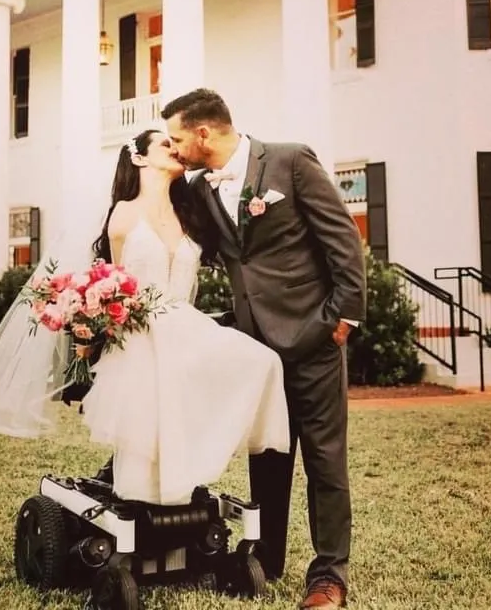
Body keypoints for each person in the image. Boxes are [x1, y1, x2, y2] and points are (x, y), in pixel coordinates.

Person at [0, 128, 290, 507]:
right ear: (139, 158)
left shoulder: (191, 216)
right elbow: (113, 281)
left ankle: (197, 472)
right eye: (165, 144)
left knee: (264, 362)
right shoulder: (123, 215)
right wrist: (91, 315)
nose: (175, 150)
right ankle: (143, 509)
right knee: (155, 403)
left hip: (187, 326)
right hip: (143, 333)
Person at [161, 89, 366, 610]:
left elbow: (343, 241)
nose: (175, 146)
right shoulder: (200, 189)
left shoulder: (290, 161)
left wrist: (340, 321)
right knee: (269, 458)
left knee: (324, 462)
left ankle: (328, 578)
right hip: (256, 350)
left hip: (314, 340)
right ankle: (266, 558)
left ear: (203, 132)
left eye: (178, 137)